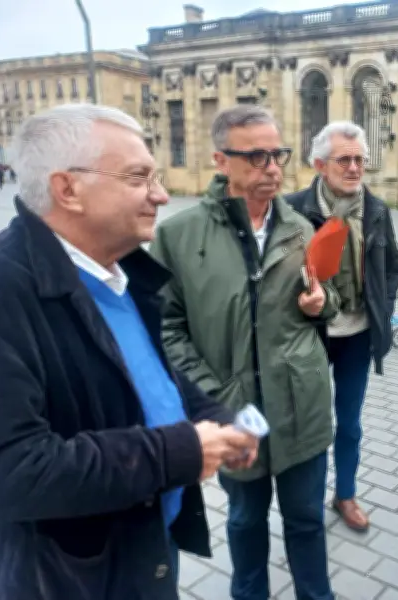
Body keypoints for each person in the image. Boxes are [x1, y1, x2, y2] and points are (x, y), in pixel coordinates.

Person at [0, 104, 259, 600]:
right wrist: (179, 452)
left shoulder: (118, 267)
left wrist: (214, 417)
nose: (161, 194)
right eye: (138, 177)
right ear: (68, 189)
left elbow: (150, 372)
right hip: (71, 577)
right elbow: (9, 474)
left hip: (146, 544)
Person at [150, 104, 339, 600]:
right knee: (245, 520)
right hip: (233, 411)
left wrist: (321, 303)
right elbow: (166, 330)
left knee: (306, 519)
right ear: (220, 160)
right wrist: (213, 398)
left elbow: (332, 299)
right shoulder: (178, 236)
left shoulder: (301, 228)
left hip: (301, 406)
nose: (272, 167)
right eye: (256, 156)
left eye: (278, 154)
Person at [286, 121, 398, 532]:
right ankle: (309, 501)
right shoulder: (292, 210)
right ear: (320, 165)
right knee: (312, 426)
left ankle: (346, 494)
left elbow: (393, 267)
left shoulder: (376, 210)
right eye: (344, 160)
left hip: (357, 336)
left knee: (349, 424)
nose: (354, 168)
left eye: (360, 159)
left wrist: (383, 310)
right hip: (311, 336)